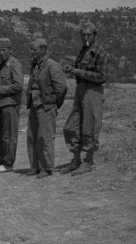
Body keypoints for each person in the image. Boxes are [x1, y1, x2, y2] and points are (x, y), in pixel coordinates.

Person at [61, 22, 109, 176]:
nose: (86, 37)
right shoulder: (83, 50)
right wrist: (72, 70)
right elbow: (81, 70)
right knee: (71, 127)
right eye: (83, 35)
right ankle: (76, 159)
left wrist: (77, 71)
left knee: (89, 128)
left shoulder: (100, 53)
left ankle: (89, 161)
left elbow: (101, 77)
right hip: (81, 90)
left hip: (93, 92)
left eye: (89, 35)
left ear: (95, 35)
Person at [25, 38, 68, 179]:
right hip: (34, 104)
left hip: (46, 105)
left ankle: (46, 167)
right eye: (31, 49)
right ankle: (35, 166)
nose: (31, 52)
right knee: (32, 136)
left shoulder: (52, 66)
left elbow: (61, 88)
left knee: (45, 137)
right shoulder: (35, 65)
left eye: (34, 49)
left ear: (43, 50)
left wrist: (54, 104)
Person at [0, 38, 24, 173]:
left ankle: (8, 163)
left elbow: (19, 86)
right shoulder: (3, 65)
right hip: (0, 104)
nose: (1, 52)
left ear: (10, 50)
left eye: (4, 50)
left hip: (10, 105)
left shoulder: (14, 64)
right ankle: (0, 160)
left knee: (8, 135)